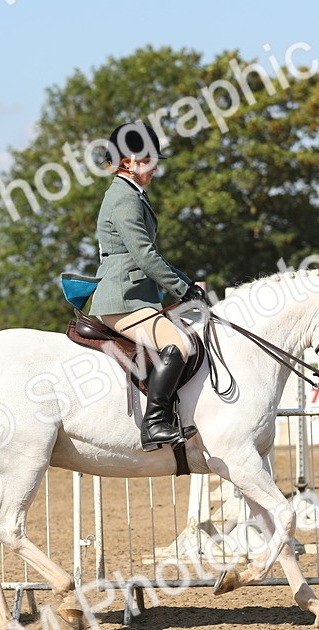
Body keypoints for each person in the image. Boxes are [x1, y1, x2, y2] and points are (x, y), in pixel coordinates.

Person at [88, 121, 206, 451]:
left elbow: (149, 256)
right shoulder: (125, 198)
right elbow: (145, 255)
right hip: (122, 299)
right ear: (128, 161)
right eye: (149, 159)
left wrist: (187, 283)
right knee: (179, 344)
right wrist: (184, 290)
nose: (155, 167)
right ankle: (154, 423)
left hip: (134, 297)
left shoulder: (131, 194)